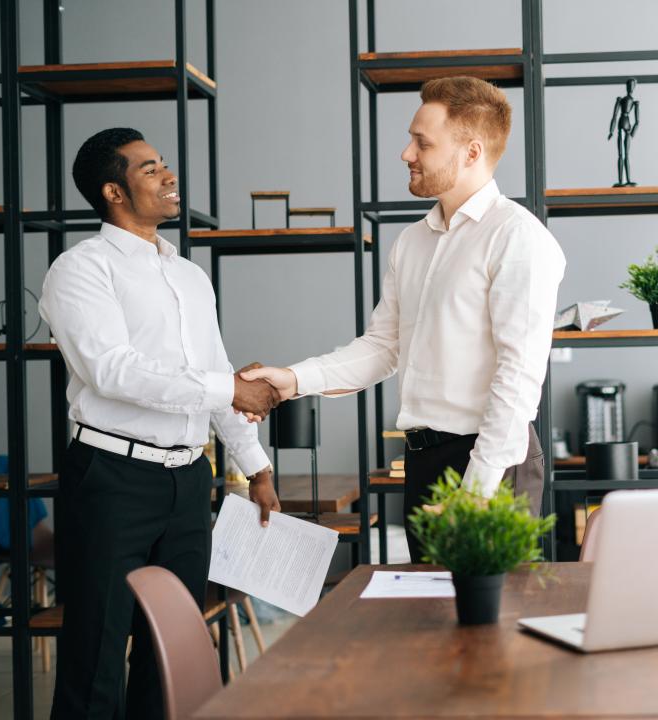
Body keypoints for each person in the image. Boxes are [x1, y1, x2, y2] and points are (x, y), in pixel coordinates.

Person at [242, 76, 566, 561]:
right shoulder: (412, 243)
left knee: (493, 629)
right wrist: (291, 381)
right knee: (431, 624)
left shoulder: (518, 238)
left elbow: (518, 379)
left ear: (472, 152)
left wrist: (476, 490)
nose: (406, 153)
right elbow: (382, 347)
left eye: (422, 142)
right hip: (423, 462)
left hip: (491, 463)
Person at [39, 127, 280, 720]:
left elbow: (215, 371)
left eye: (164, 165)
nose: (169, 176)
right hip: (110, 478)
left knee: (169, 649)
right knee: (95, 652)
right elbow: (113, 371)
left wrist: (256, 466)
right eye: (150, 169)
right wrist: (230, 388)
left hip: (188, 480)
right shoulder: (79, 270)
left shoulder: (190, 278)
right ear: (113, 191)